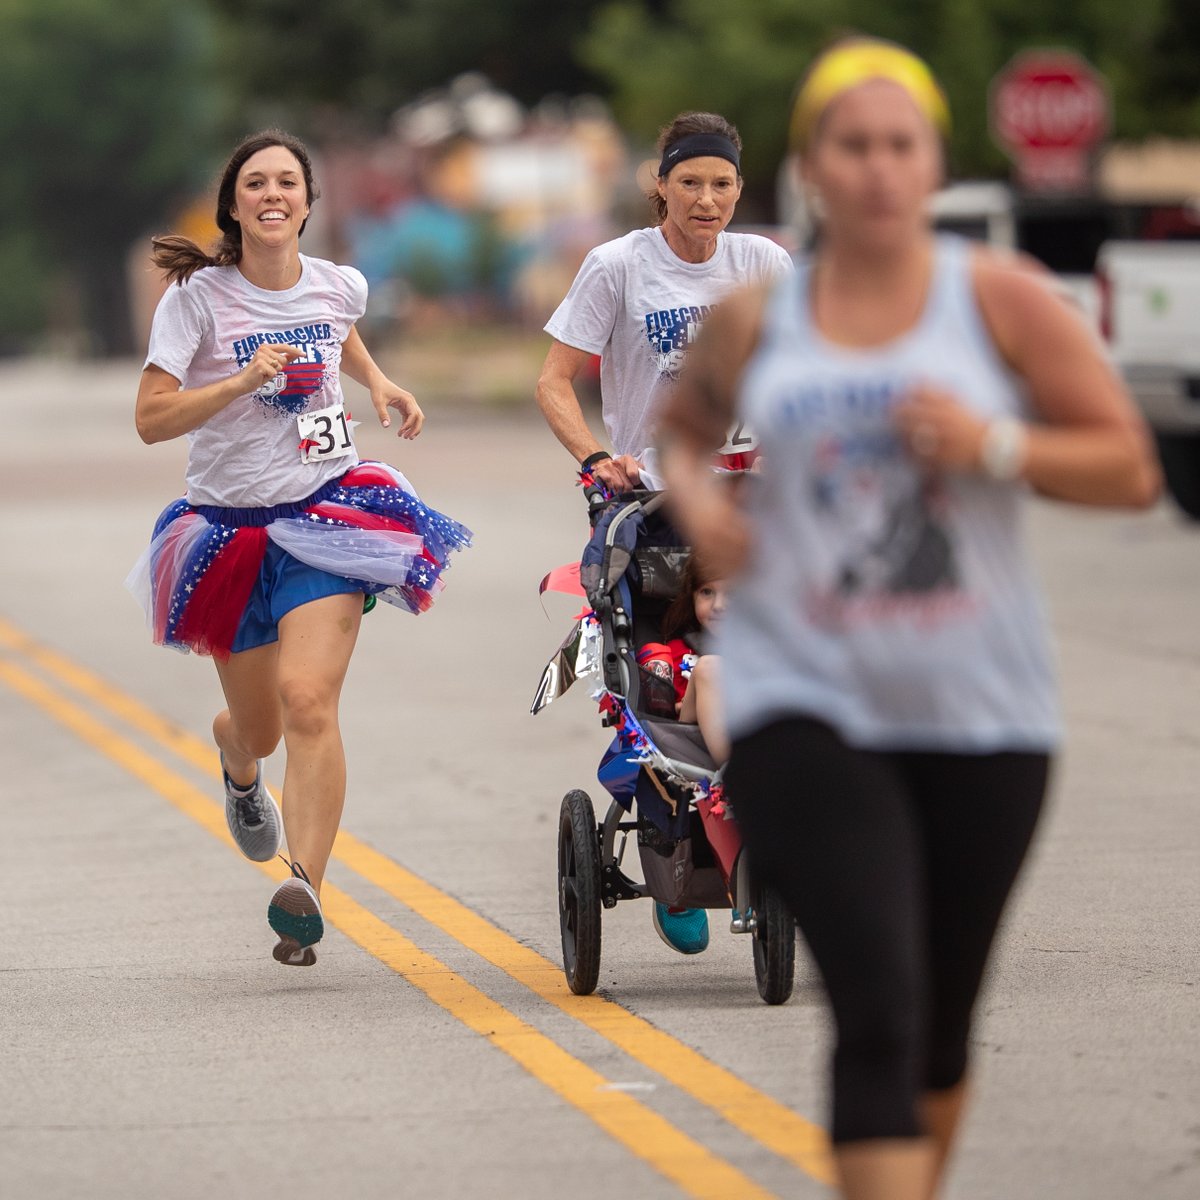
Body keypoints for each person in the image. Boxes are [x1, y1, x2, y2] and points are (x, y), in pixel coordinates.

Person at [656, 37, 1160, 1200]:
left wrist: (992, 443)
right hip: (804, 697)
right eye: (853, 145)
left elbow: (1130, 470)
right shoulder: (759, 321)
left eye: (901, 145)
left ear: (933, 164)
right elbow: (682, 435)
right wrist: (701, 510)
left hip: (980, 705)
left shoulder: (999, 302)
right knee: (876, 1011)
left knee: (936, 1029)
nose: (878, 167)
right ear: (815, 169)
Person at [127, 129, 471, 968]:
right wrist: (241, 381)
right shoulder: (197, 300)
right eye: (256, 183)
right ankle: (238, 764)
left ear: (309, 202)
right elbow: (149, 420)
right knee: (263, 726)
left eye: (288, 181)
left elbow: (337, 327)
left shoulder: (339, 283)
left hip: (325, 513)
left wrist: (379, 381)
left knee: (310, 700)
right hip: (226, 530)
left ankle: (305, 889)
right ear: (235, 204)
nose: (272, 193)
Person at [536, 111, 794, 494]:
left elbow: (799, 370)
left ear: (738, 189)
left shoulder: (764, 261)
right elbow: (552, 382)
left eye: (721, 184)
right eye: (690, 183)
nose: (707, 200)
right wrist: (596, 461)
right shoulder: (617, 264)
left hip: (750, 488)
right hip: (653, 493)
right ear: (662, 185)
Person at [637, 555, 731, 955]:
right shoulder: (678, 649)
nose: (720, 605)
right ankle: (733, 767)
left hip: (760, 720)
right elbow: (673, 707)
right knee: (710, 668)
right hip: (689, 730)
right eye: (707, 593)